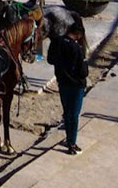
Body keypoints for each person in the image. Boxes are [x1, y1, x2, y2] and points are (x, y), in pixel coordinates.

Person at [48, 23, 88, 154]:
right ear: (78, 35)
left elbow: (50, 60)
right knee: (74, 114)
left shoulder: (56, 42)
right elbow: (83, 72)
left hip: (63, 83)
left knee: (67, 112)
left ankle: (69, 138)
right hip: (76, 85)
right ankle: (72, 143)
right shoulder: (77, 48)